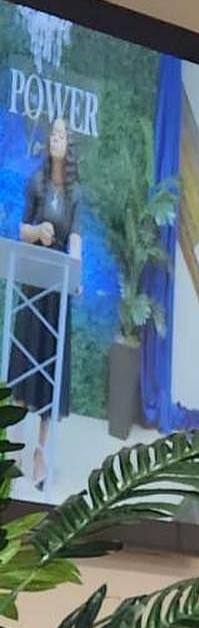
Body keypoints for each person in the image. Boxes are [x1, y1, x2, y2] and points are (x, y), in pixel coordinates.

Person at [15, 114, 82, 492]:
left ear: (69, 146)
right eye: (53, 133)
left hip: (58, 287)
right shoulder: (35, 182)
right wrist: (37, 232)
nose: (57, 138)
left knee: (50, 371)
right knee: (27, 361)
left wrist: (77, 273)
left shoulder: (76, 194)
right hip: (33, 282)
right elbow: (21, 230)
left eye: (63, 135)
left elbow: (76, 240)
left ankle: (42, 454)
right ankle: (17, 450)